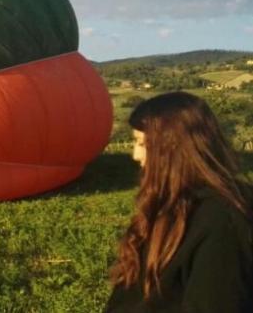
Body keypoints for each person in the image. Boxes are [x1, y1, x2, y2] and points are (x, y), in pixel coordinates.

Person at [106, 92, 253, 312]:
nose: (135, 155)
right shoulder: (170, 202)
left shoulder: (223, 219)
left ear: (174, 148)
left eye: (142, 144)